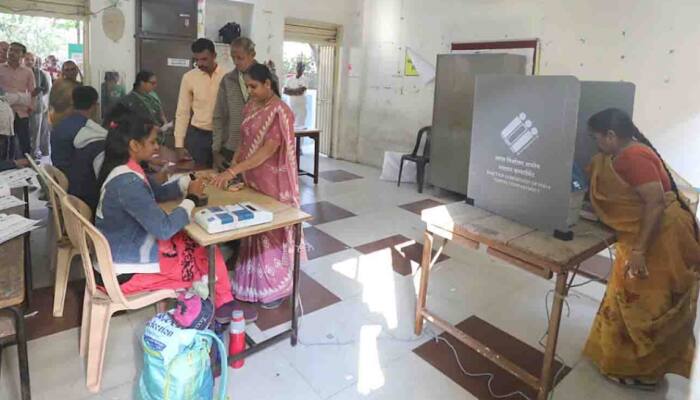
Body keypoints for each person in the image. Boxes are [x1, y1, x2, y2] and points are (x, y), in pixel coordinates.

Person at [95, 114, 255, 322]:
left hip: (122, 256)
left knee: (196, 244)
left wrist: (189, 182)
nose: (156, 147)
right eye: (152, 142)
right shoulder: (128, 184)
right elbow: (164, 228)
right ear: (134, 145)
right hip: (123, 275)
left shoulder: (125, 170)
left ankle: (223, 301)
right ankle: (222, 304)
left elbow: (156, 192)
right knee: (201, 250)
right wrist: (191, 199)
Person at [583, 108, 700, 390]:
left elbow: (655, 203)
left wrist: (640, 251)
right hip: (649, 235)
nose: (596, 143)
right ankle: (620, 359)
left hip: (660, 240)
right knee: (626, 298)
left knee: (645, 305)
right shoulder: (623, 154)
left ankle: (644, 371)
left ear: (611, 136)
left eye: (597, 137)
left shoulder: (634, 157)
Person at [210, 64, 304, 309]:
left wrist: (234, 170)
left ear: (267, 85)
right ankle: (251, 283)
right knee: (253, 228)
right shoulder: (251, 106)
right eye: (247, 86)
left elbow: (267, 150)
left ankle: (276, 288)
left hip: (274, 180)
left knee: (270, 231)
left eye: (253, 86)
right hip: (253, 177)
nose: (250, 91)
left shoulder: (280, 112)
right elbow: (244, 139)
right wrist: (234, 165)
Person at [212, 37, 279, 171]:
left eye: (240, 58)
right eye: (233, 57)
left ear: (252, 55)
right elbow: (219, 116)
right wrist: (215, 150)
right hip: (231, 147)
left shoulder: (268, 78)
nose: (236, 62)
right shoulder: (228, 80)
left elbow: (274, 113)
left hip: (258, 149)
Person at [174, 38, 224, 167]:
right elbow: (182, 112)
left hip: (223, 136)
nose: (200, 64)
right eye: (197, 60)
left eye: (204, 59)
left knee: (223, 175)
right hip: (198, 137)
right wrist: (179, 145)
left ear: (214, 56)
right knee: (199, 175)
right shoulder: (189, 78)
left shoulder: (227, 77)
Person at [0, 42, 36, 159]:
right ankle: (6, 168)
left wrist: (31, 106)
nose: (11, 53)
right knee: (5, 143)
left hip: (21, 112)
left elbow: (32, 92)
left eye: (16, 51)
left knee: (24, 142)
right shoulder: (1, 68)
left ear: (22, 55)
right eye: (10, 50)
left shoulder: (28, 72)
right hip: (3, 113)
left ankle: (28, 167)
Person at [50, 86, 97, 175]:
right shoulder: (89, 131)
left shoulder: (59, 126)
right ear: (94, 106)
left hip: (59, 178)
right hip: (77, 183)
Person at [24, 52, 51, 157]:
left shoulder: (39, 73)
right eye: (27, 59)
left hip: (36, 107)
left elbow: (46, 88)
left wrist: (36, 97)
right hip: (21, 108)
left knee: (35, 132)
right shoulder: (20, 72)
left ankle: (34, 154)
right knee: (24, 132)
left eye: (31, 59)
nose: (29, 61)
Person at [49, 60, 82, 127]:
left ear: (77, 70)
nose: (70, 72)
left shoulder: (79, 85)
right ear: (63, 71)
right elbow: (52, 103)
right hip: (60, 121)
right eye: (67, 70)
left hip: (75, 120)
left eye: (73, 69)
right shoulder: (58, 84)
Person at [283, 61, 308, 129]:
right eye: (298, 67)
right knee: (290, 128)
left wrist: (291, 91)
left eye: (302, 67)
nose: (300, 69)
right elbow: (285, 91)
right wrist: (296, 91)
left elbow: (301, 91)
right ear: (296, 67)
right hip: (291, 107)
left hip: (301, 108)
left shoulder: (305, 79)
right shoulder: (289, 79)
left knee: (301, 129)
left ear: (303, 69)